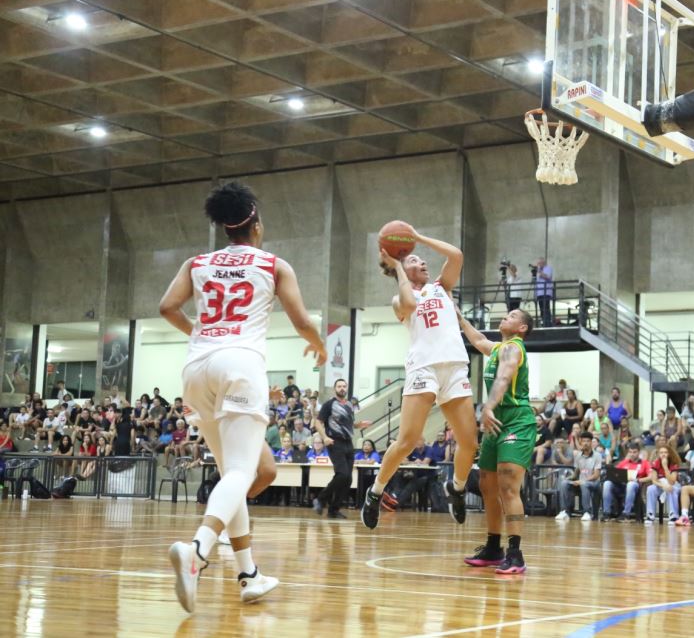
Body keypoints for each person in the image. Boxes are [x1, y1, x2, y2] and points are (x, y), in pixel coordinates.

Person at [160, 181, 326, 613]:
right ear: (256, 222)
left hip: (196, 369)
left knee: (252, 470)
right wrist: (321, 345)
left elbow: (167, 307)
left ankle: (248, 575)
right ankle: (198, 550)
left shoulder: (197, 262)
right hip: (240, 364)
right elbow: (302, 320)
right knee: (239, 470)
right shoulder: (273, 264)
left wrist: (200, 333)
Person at [362, 225, 478, 530]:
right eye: (415, 260)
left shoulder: (442, 287)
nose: (422, 262)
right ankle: (375, 493)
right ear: (402, 264)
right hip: (423, 367)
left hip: (454, 366)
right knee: (408, 440)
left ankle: (456, 487)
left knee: (469, 442)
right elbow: (410, 305)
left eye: (422, 259)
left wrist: (418, 238)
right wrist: (398, 266)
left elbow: (456, 255)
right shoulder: (400, 298)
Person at [458, 308, 535, 573]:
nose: (506, 317)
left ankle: (515, 554)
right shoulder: (498, 348)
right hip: (496, 421)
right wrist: (459, 317)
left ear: (522, 328)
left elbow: (504, 378)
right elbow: (478, 340)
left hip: (516, 420)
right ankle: (493, 547)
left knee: (508, 486)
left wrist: (488, 405)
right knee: (486, 484)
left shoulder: (514, 348)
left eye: (512, 315)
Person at [313, 379, 371, 519]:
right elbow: (317, 422)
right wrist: (325, 437)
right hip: (334, 442)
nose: (342, 388)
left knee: (348, 479)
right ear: (335, 389)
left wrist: (359, 425)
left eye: (344, 386)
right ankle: (320, 499)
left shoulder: (350, 405)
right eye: (339, 386)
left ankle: (333, 510)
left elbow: (348, 424)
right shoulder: (329, 404)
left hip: (348, 443)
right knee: (342, 475)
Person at [555, 432, 602, 522]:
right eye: (583, 441)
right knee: (564, 483)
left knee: (584, 484)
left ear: (591, 443)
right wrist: (569, 479)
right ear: (580, 442)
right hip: (581, 482)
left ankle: (587, 512)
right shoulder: (578, 456)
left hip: (594, 483)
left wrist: (582, 481)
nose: (585, 443)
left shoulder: (597, 456)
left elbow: (596, 475)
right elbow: (576, 474)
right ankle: (565, 512)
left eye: (588, 441)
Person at [601, 445, 648, 522]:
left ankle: (626, 514)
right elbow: (615, 473)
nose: (632, 454)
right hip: (621, 485)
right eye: (630, 452)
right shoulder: (624, 462)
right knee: (607, 483)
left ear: (638, 453)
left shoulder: (644, 463)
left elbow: (651, 477)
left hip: (635, 486)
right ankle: (607, 513)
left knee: (631, 484)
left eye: (634, 452)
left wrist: (638, 480)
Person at [644, 444, 682, 526]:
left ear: (669, 454)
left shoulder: (673, 464)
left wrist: (665, 467)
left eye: (665, 452)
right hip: (661, 485)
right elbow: (654, 480)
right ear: (658, 454)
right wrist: (663, 486)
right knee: (650, 488)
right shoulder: (656, 463)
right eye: (661, 452)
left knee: (671, 489)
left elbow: (672, 481)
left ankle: (673, 516)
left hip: (674, 485)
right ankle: (650, 515)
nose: (663, 454)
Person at [533, 257, 554, 327]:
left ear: (544, 263)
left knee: (546, 308)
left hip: (546, 292)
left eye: (540, 263)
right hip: (539, 293)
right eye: (538, 263)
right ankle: (544, 323)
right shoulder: (538, 271)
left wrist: (539, 270)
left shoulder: (548, 268)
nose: (539, 264)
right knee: (542, 309)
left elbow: (547, 277)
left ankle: (547, 324)